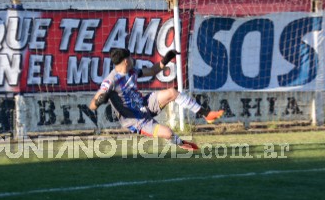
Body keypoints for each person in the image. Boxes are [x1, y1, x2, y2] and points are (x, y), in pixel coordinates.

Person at [89, 48, 224, 151]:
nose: (132, 59)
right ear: (126, 61)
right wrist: (100, 100)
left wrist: (166, 59)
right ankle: (184, 144)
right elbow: (92, 106)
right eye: (130, 57)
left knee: (172, 92)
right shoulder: (110, 81)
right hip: (136, 120)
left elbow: (153, 71)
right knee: (168, 133)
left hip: (145, 104)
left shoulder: (132, 71)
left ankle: (206, 114)